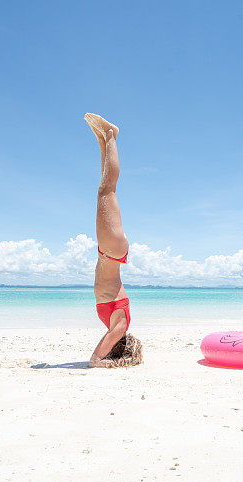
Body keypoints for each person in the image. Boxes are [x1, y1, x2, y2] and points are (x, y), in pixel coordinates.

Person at [84, 113, 142, 368]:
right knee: (107, 190)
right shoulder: (120, 327)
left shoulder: (114, 325)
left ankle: (104, 138)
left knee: (103, 189)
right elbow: (94, 360)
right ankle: (111, 135)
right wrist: (101, 361)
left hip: (108, 252)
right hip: (112, 251)